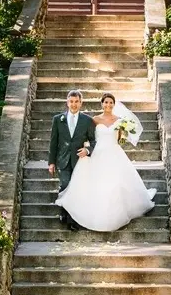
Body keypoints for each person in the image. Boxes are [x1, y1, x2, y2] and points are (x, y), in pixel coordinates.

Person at [55, 92, 156, 232]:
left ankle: (115, 214)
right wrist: (86, 149)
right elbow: (89, 137)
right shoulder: (95, 120)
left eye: (111, 103)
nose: (108, 105)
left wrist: (123, 134)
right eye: (106, 102)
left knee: (115, 183)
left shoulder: (120, 120)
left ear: (114, 105)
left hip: (114, 153)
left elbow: (121, 139)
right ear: (101, 104)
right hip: (97, 153)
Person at [47, 90, 95, 230]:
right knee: (65, 185)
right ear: (67, 102)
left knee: (76, 188)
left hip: (79, 161)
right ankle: (64, 212)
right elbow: (53, 142)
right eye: (71, 101)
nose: (74, 104)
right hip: (63, 159)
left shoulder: (87, 120)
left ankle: (72, 219)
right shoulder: (58, 119)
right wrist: (51, 162)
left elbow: (93, 140)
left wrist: (87, 150)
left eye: (76, 102)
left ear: (81, 103)